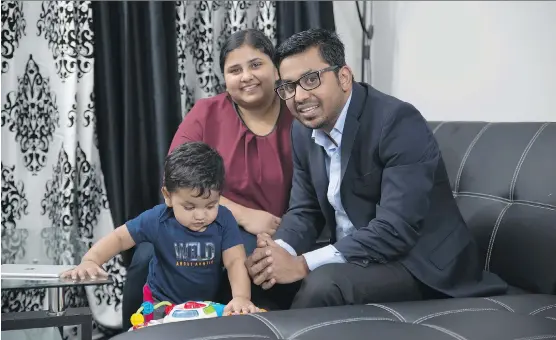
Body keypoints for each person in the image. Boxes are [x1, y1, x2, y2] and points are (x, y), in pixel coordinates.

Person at [245, 28, 509, 309]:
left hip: (418, 262)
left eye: (310, 79)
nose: (298, 97)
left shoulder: (396, 121)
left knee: (323, 285)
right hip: (357, 256)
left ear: (344, 77)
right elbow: (304, 210)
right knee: (252, 277)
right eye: (288, 86)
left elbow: (395, 228)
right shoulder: (301, 130)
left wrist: (302, 264)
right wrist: (277, 253)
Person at [122, 29, 294, 327]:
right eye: (235, 70)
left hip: (273, 231)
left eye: (256, 65)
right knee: (145, 256)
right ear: (224, 78)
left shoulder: (297, 114)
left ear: (276, 68)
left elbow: (315, 189)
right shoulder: (206, 112)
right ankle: (133, 332)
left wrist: (283, 232)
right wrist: (244, 215)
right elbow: (175, 177)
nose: (246, 76)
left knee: (256, 261)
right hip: (199, 221)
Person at [62, 142, 260, 321]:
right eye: (190, 207)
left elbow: (235, 261)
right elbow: (120, 238)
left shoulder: (223, 219)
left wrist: (241, 297)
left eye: (210, 205)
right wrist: (91, 260)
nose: (201, 216)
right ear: (168, 196)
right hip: (160, 306)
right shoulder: (158, 219)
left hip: (205, 308)